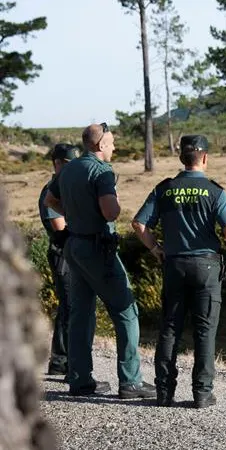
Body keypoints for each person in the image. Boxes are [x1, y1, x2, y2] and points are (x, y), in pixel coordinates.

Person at [131, 135, 226, 409]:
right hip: (206, 267)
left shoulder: (164, 189)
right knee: (205, 331)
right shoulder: (215, 191)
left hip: (174, 265)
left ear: (182, 158)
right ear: (205, 158)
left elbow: (138, 224)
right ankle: (202, 394)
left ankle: (164, 392)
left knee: (170, 328)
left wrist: (155, 248)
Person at [44, 123, 155, 399]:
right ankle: (131, 382)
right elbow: (110, 213)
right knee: (126, 311)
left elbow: (50, 199)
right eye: (112, 142)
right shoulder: (102, 171)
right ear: (100, 145)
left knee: (81, 315)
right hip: (98, 248)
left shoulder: (68, 169)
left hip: (74, 246)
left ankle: (81, 380)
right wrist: (111, 203)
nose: (115, 147)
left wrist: (72, 212)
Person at [39, 143, 80, 377]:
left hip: (70, 254)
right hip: (62, 254)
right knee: (70, 307)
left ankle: (60, 360)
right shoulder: (52, 191)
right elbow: (60, 228)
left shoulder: (65, 187)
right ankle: (64, 361)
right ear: (57, 164)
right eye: (68, 165)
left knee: (70, 307)